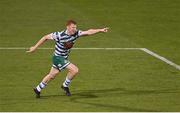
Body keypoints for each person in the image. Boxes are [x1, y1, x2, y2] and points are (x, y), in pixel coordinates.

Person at [27, 20, 108, 98]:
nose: (75, 29)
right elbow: (45, 37)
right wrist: (35, 47)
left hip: (63, 58)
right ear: (68, 27)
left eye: (75, 27)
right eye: (73, 27)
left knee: (52, 75)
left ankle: (38, 89)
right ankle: (65, 86)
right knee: (74, 70)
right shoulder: (59, 35)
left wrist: (100, 30)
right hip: (58, 58)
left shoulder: (76, 33)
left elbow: (88, 32)